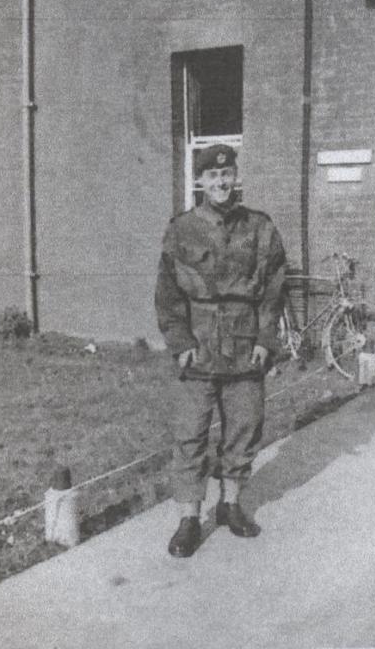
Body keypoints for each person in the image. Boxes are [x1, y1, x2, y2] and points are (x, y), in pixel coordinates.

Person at [155, 143, 286, 558]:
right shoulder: (182, 229)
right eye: (212, 176)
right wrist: (180, 345)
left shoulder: (260, 228)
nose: (221, 183)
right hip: (199, 351)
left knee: (244, 429)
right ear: (200, 181)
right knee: (190, 435)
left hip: (246, 350)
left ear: (236, 178)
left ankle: (230, 506)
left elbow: (273, 291)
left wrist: (267, 341)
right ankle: (190, 519)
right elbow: (168, 296)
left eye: (226, 176)